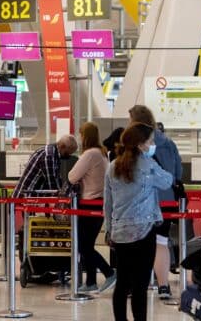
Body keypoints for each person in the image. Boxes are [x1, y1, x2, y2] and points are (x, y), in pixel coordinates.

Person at [104, 122, 173, 321]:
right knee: (140, 286)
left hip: (120, 232)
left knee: (122, 283)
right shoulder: (148, 165)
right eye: (150, 141)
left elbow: (108, 204)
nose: (152, 145)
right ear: (141, 144)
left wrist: (109, 230)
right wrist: (156, 161)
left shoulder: (113, 166)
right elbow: (167, 180)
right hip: (144, 232)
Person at [129, 105, 183, 299]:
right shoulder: (168, 142)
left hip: (143, 201)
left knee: (139, 243)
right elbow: (178, 174)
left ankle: (139, 285)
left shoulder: (138, 143)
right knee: (161, 241)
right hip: (167, 200)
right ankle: (163, 286)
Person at [68, 122, 116, 293]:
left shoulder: (90, 154)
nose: (79, 138)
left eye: (81, 134)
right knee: (87, 244)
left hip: (89, 203)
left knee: (84, 246)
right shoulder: (102, 153)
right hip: (99, 204)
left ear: (86, 136)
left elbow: (72, 176)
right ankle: (90, 283)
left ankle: (109, 273)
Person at [12, 135, 78, 199]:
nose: (69, 156)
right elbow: (52, 183)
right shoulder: (48, 156)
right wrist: (64, 196)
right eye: (68, 153)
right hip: (24, 198)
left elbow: (57, 179)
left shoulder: (54, 154)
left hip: (30, 197)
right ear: (62, 147)